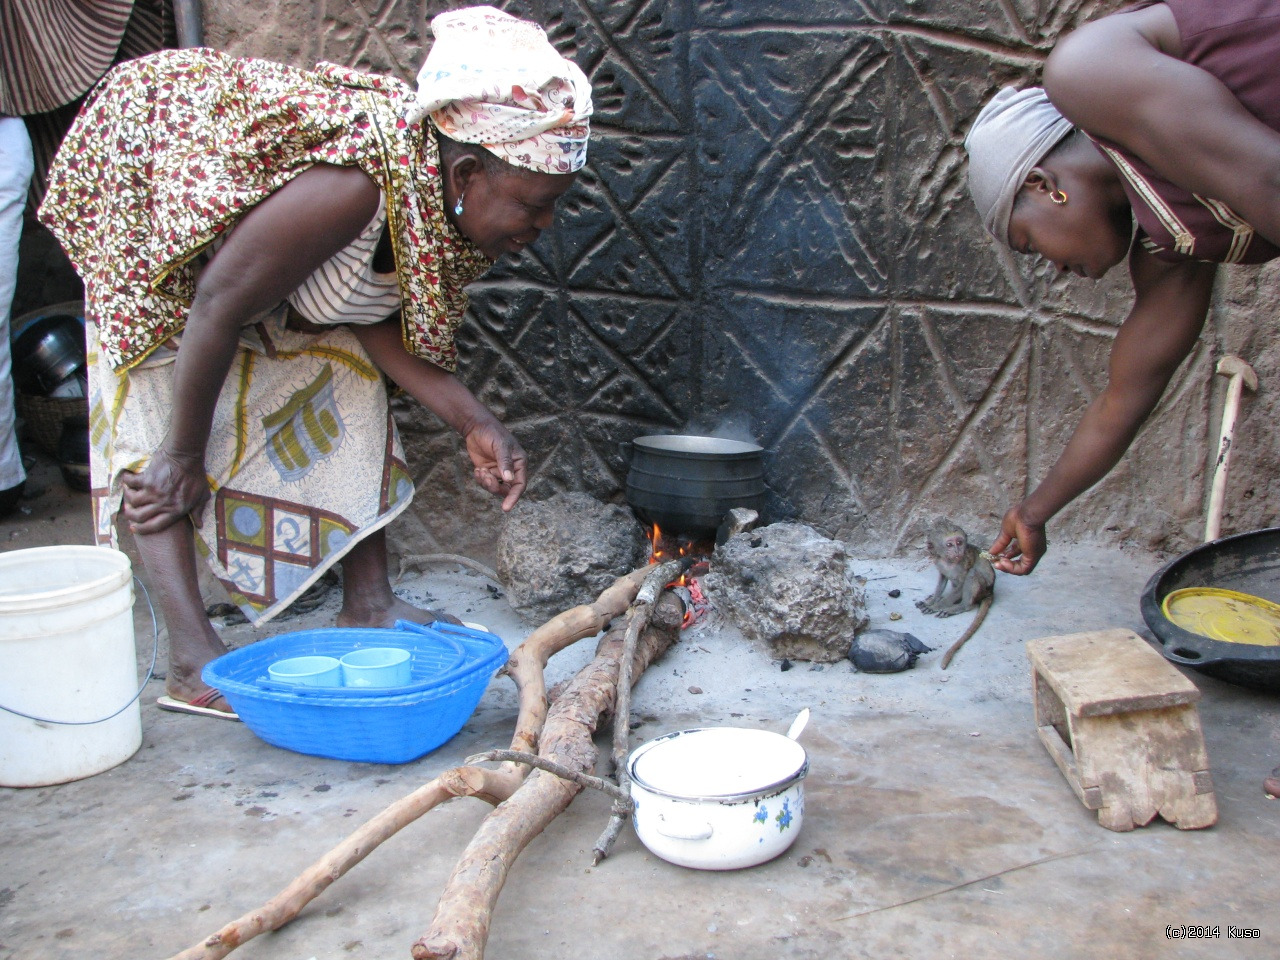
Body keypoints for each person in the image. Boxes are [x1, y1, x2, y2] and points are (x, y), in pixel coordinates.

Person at [38, 5, 593, 718]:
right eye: (533, 205)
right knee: (160, 385)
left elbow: (368, 322)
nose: (541, 227)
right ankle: (189, 655)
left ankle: (369, 603)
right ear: (465, 173)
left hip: (237, 268)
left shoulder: (436, 209)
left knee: (342, 366)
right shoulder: (353, 186)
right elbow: (213, 303)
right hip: (147, 170)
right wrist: (181, 455)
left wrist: (474, 420)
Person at [965, 0, 1280, 801]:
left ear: (1047, 185)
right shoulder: (1176, 231)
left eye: (1027, 240)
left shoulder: (1088, 72)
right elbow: (1123, 397)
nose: (1046, 269)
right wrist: (1037, 511)